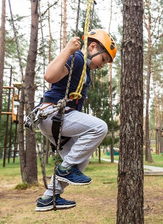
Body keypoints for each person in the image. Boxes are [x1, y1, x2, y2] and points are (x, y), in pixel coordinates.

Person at [35, 29, 117, 212]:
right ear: (93, 46)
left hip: (57, 119)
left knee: (81, 160)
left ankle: (49, 198)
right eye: (103, 59)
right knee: (99, 128)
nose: (103, 65)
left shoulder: (84, 69)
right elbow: (49, 75)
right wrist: (67, 50)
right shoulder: (78, 59)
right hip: (52, 113)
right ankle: (64, 170)